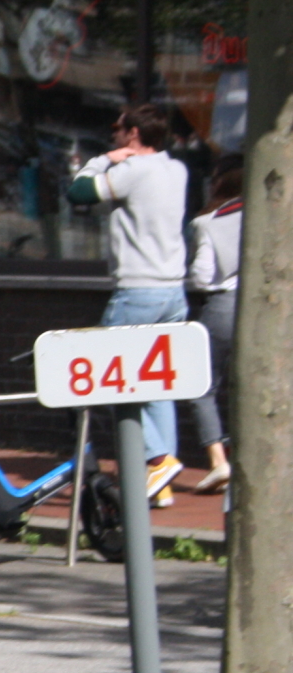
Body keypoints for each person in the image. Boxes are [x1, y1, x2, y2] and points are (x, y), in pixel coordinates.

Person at [68, 103, 191, 506]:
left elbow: (78, 191)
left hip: (138, 290)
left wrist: (105, 160)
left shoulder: (133, 170)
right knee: (158, 386)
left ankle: (157, 460)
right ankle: (162, 481)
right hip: (173, 290)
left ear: (134, 134)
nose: (114, 136)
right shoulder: (177, 169)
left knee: (106, 375)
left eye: (117, 130)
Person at [186, 159, 242, 492]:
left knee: (202, 386)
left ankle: (219, 461)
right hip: (262, 305)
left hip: (222, 307)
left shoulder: (208, 222)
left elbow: (202, 277)